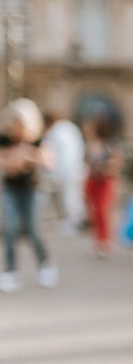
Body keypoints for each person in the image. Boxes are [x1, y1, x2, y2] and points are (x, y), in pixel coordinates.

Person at [0, 98, 56, 291]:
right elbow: (6, 164)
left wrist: (30, 156)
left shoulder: (37, 141)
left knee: (34, 230)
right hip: (11, 189)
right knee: (10, 229)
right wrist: (16, 160)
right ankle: (10, 271)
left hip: (33, 189)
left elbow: (49, 161)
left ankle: (45, 265)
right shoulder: (5, 140)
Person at [81, 117, 123, 258]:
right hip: (92, 180)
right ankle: (98, 239)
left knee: (102, 210)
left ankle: (104, 241)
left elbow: (116, 163)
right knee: (93, 212)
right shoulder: (89, 144)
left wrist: (104, 168)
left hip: (105, 180)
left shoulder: (108, 144)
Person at [41, 108, 86, 235]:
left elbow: (58, 155)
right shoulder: (69, 128)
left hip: (65, 171)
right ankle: (74, 222)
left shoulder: (57, 132)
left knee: (69, 199)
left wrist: (54, 173)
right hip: (74, 169)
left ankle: (73, 224)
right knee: (73, 198)